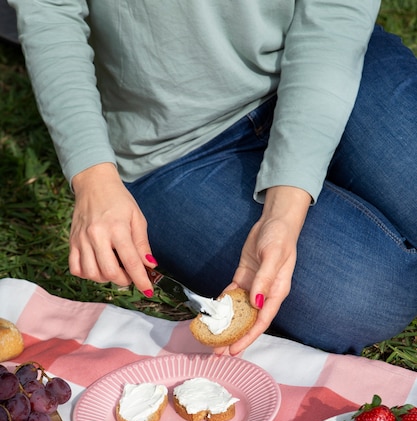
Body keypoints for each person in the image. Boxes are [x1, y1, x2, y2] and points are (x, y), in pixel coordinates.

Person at [8, 0, 417, 356]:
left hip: (322, 58)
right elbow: (50, 11)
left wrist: (285, 211)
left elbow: (335, 16)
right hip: (173, 145)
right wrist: (92, 176)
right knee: (372, 300)